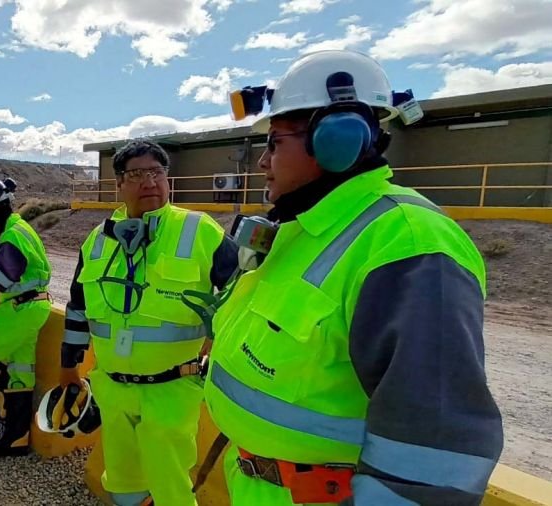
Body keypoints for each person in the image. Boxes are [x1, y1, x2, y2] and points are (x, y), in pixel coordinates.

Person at [204, 50, 503, 505]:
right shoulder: (303, 231)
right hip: (257, 484)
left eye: (274, 143)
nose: (263, 162)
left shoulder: (408, 242)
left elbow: (432, 456)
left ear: (335, 139)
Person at [59, 140, 239, 506]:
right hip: (112, 390)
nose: (149, 182)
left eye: (157, 172)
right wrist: (68, 366)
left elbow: (244, 295)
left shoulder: (200, 231)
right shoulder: (96, 241)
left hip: (171, 391)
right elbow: (77, 308)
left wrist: (221, 341)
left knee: (172, 490)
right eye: (137, 174)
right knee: (123, 487)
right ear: (119, 184)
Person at [0, 177, 52, 457]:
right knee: (21, 372)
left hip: (20, 308)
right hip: (33, 307)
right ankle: (17, 437)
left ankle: (2, 386)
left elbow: (2, 278)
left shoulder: (12, 236)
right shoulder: (20, 228)